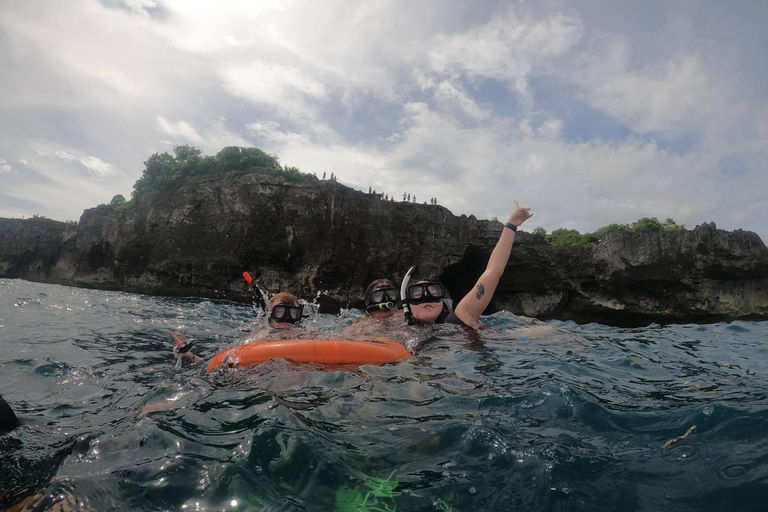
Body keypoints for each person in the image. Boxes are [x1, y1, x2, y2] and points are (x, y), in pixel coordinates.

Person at [405, 201, 532, 329]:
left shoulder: (460, 318)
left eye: (433, 291)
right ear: (407, 306)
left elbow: (493, 270)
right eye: (416, 294)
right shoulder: (400, 333)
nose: (426, 297)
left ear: (443, 302)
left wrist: (511, 225)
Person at [169, 292, 306, 363]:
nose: (287, 318)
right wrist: (190, 356)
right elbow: (221, 361)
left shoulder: (304, 335)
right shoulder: (260, 337)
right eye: (280, 312)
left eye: (294, 313)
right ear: (270, 315)